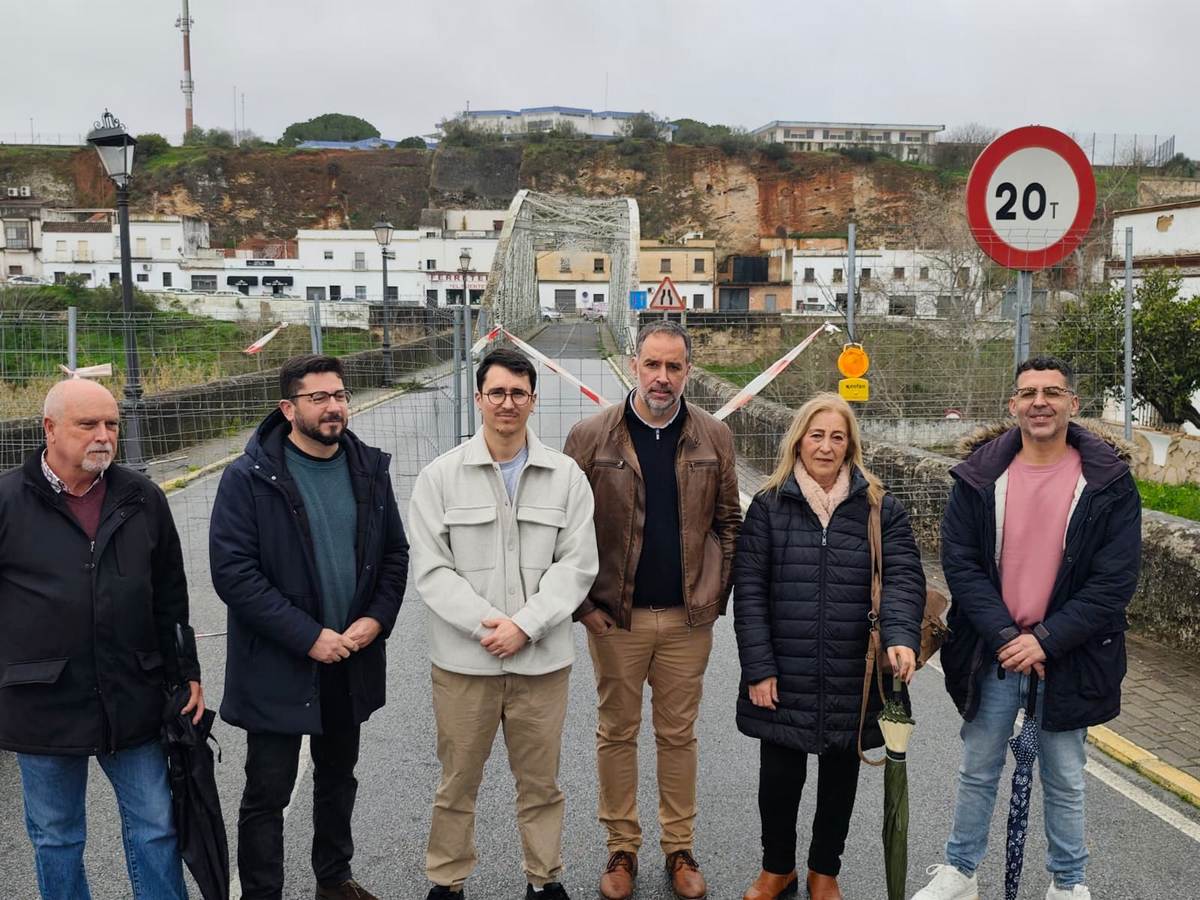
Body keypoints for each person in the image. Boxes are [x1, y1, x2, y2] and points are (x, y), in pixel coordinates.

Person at [913, 357, 1142, 900]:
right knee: (978, 766)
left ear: (1072, 405)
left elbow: (1115, 582)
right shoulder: (980, 476)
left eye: (1053, 393)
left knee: (1065, 777)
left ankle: (1067, 883)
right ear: (1013, 405)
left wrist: (1044, 639)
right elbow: (961, 564)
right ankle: (959, 872)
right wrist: (1007, 638)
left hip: (1072, 653)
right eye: (1029, 393)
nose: (1040, 402)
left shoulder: (1109, 482)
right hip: (992, 651)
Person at [209, 354, 409, 900]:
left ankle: (334, 880)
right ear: (287, 407)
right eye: (318, 398)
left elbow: (394, 554)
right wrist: (308, 636)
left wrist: (376, 619)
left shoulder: (368, 468)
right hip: (280, 662)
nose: (334, 407)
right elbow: (234, 574)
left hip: (350, 654)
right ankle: (261, 893)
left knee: (337, 779)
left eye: (340, 395)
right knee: (267, 792)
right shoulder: (248, 477)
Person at [0, 378, 202, 900]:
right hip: (41, 700)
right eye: (88, 424)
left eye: (111, 424)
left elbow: (170, 595)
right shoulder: (6, 500)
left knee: (156, 826)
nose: (104, 436)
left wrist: (186, 674)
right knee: (56, 837)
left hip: (132, 691)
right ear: (49, 428)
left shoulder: (142, 498)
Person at [410, 348, 598, 900]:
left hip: (541, 663)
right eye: (497, 392)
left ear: (534, 401)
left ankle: (545, 879)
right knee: (457, 782)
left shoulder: (566, 477)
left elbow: (578, 563)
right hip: (465, 663)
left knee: (541, 784)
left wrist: (527, 626)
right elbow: (431, 567)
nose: (507, 403)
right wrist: (489, 626)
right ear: (478, 399)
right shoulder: (440, 477)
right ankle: (447, 879)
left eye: (519, 393)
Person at [564, 321, 741, 900]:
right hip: (616, 619)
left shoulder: (714, 437)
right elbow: (565, 531)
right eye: (652, 365)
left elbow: (729, 524)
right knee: (616, 732)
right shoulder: (591, 436)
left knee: (679, 735)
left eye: (674, 367)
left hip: (689, 620)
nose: (662, 377)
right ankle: (621, 848)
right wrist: (585, 605)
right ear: (634, 366)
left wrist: (716, 598)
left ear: (688, 370)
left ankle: (679, 847)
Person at [733, 393, 925, 900]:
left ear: (850, 446)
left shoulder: (882, 509)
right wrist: (758, 667)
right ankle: (778, 867)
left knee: (840, 775)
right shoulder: (769, 506)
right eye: (816, 435)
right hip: (783, 666)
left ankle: (823, 870)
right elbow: (749, 592)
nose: (826, 445)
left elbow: (905, 580)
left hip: (854, 670)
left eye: (837, 436)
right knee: (779, 775)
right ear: (798, 439)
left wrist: (901, 638)